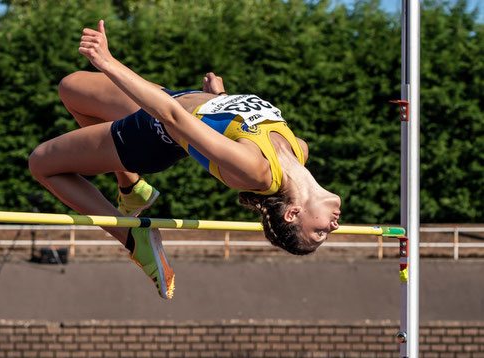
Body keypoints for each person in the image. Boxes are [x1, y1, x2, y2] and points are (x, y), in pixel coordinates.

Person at [29, 21, 341, 300]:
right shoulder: (299, 150)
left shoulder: (256, 172)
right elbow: (234, 126)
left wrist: (109, 63)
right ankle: (131, 188)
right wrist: (219, 98)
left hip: (154, 132)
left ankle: (131, 235)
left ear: (293, 214)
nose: (333, 227)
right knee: (71, 88)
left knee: (40, 164)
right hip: (178, 98)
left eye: (320, 233)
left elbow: (173, 116)